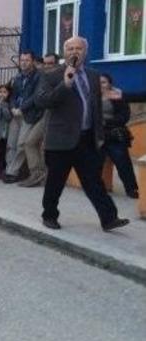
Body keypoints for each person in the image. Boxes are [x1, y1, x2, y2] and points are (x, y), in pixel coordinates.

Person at [34, 36, 128, 232]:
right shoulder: (51, 75)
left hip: (86, 138)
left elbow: (95, 108)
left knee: (94, 181)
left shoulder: (93, 76)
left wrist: (99, 135)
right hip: (60, 140)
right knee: (55, 182)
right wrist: (65, 84)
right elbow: (43, 101)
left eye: (79, 48)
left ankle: (109, 218)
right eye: (70, 49)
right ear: (64, 52)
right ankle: (49, 215)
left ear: (85, 52)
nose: (74, 52)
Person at [7, 51, 46, 186]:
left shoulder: (38, 76)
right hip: (15, 113)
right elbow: (12, 96)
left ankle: (13, 172)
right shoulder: (18, 77)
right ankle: (10, 170)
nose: (23, 62)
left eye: (27, 60)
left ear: (33, 61)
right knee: (11, 144)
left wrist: (21, 109)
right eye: (21, 60)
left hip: (29, 115)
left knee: (22, 144)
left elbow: (35, 97)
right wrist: (12, 108)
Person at [99, 74, 138, 199]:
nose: (101, 85)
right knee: (92, 162)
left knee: (122, 162)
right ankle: (97, 188)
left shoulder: (117, 96)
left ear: (110, 84)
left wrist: (106, 122)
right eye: (98, 83)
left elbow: (124, 116)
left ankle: (131, 188)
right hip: (96, 135)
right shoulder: (92, 97)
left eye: (104, 82)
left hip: (113, 134)